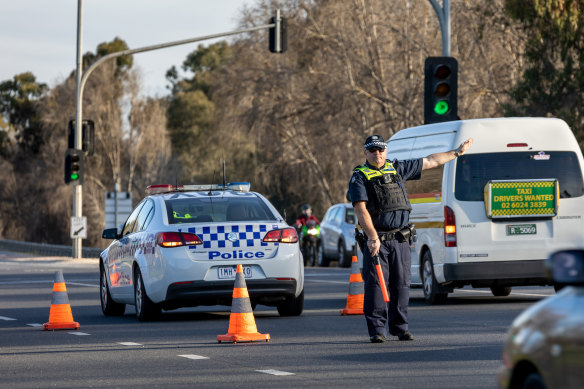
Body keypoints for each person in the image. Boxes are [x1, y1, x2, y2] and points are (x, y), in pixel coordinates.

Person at [348, 134, 473, 343]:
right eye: (372, 150)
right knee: (376, 287)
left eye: (380, 149)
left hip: (400, 239)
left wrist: (457, 152)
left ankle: (400, 327)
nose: (377, 153)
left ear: (385, 151)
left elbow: (431, 161)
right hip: (376, 240)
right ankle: (377, 330)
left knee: (401, 284)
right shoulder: (360, 176)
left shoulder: (397, 168)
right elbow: (360, 209)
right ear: (365, 153)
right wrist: (371, 237)